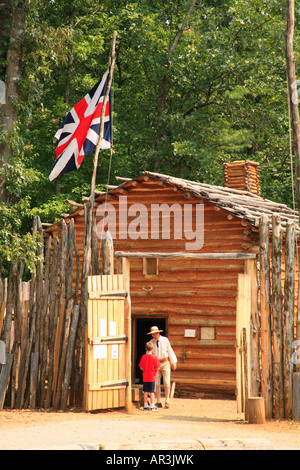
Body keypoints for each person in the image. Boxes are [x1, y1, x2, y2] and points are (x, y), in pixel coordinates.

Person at [148, 325, 177, 409]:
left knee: (166, 382)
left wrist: (173, 362)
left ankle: (167, 400)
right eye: (152, 334)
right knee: (156, 383)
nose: (154, 335)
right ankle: (159, 401)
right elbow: (149, 354)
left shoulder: (165, 340)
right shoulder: (151, 342)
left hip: (165, 362)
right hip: (156, 363)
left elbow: (170, 350)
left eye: (155, 334)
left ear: (158, 333)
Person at [139, 341, 160, 411]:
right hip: (152, 376)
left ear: (146, 348)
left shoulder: (143, 357)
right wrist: (154, 372)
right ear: (153, 348)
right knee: (151, 391)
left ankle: (145, 404)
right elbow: (157, 367)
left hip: (145, 376)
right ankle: (152, 405)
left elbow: (141, 367)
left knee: (145, 391)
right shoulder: (155, 357)